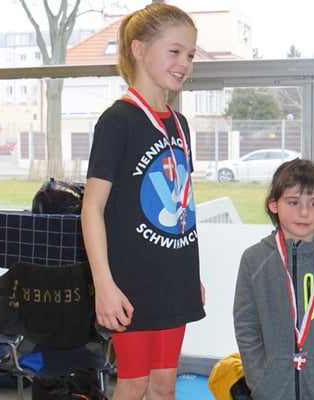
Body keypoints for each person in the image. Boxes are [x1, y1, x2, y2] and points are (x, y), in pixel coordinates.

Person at [80, 3, 206, 400]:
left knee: (164, 386)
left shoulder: (179, 124)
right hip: (130, 282)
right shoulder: (117, 121)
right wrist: (103, 285)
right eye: (175, 51)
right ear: (138, 49)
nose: (185, 63)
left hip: (175, 277)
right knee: (134, 383)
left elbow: (182, 203)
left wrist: (189, 273)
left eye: (190, 54)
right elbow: (92, 208)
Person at [233, 158, 314, 400]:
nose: (304, 212)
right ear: (274, 204)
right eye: (293, 202)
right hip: (270, 390)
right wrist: (260, 381)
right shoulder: (254, 260)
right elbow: (246, 326)